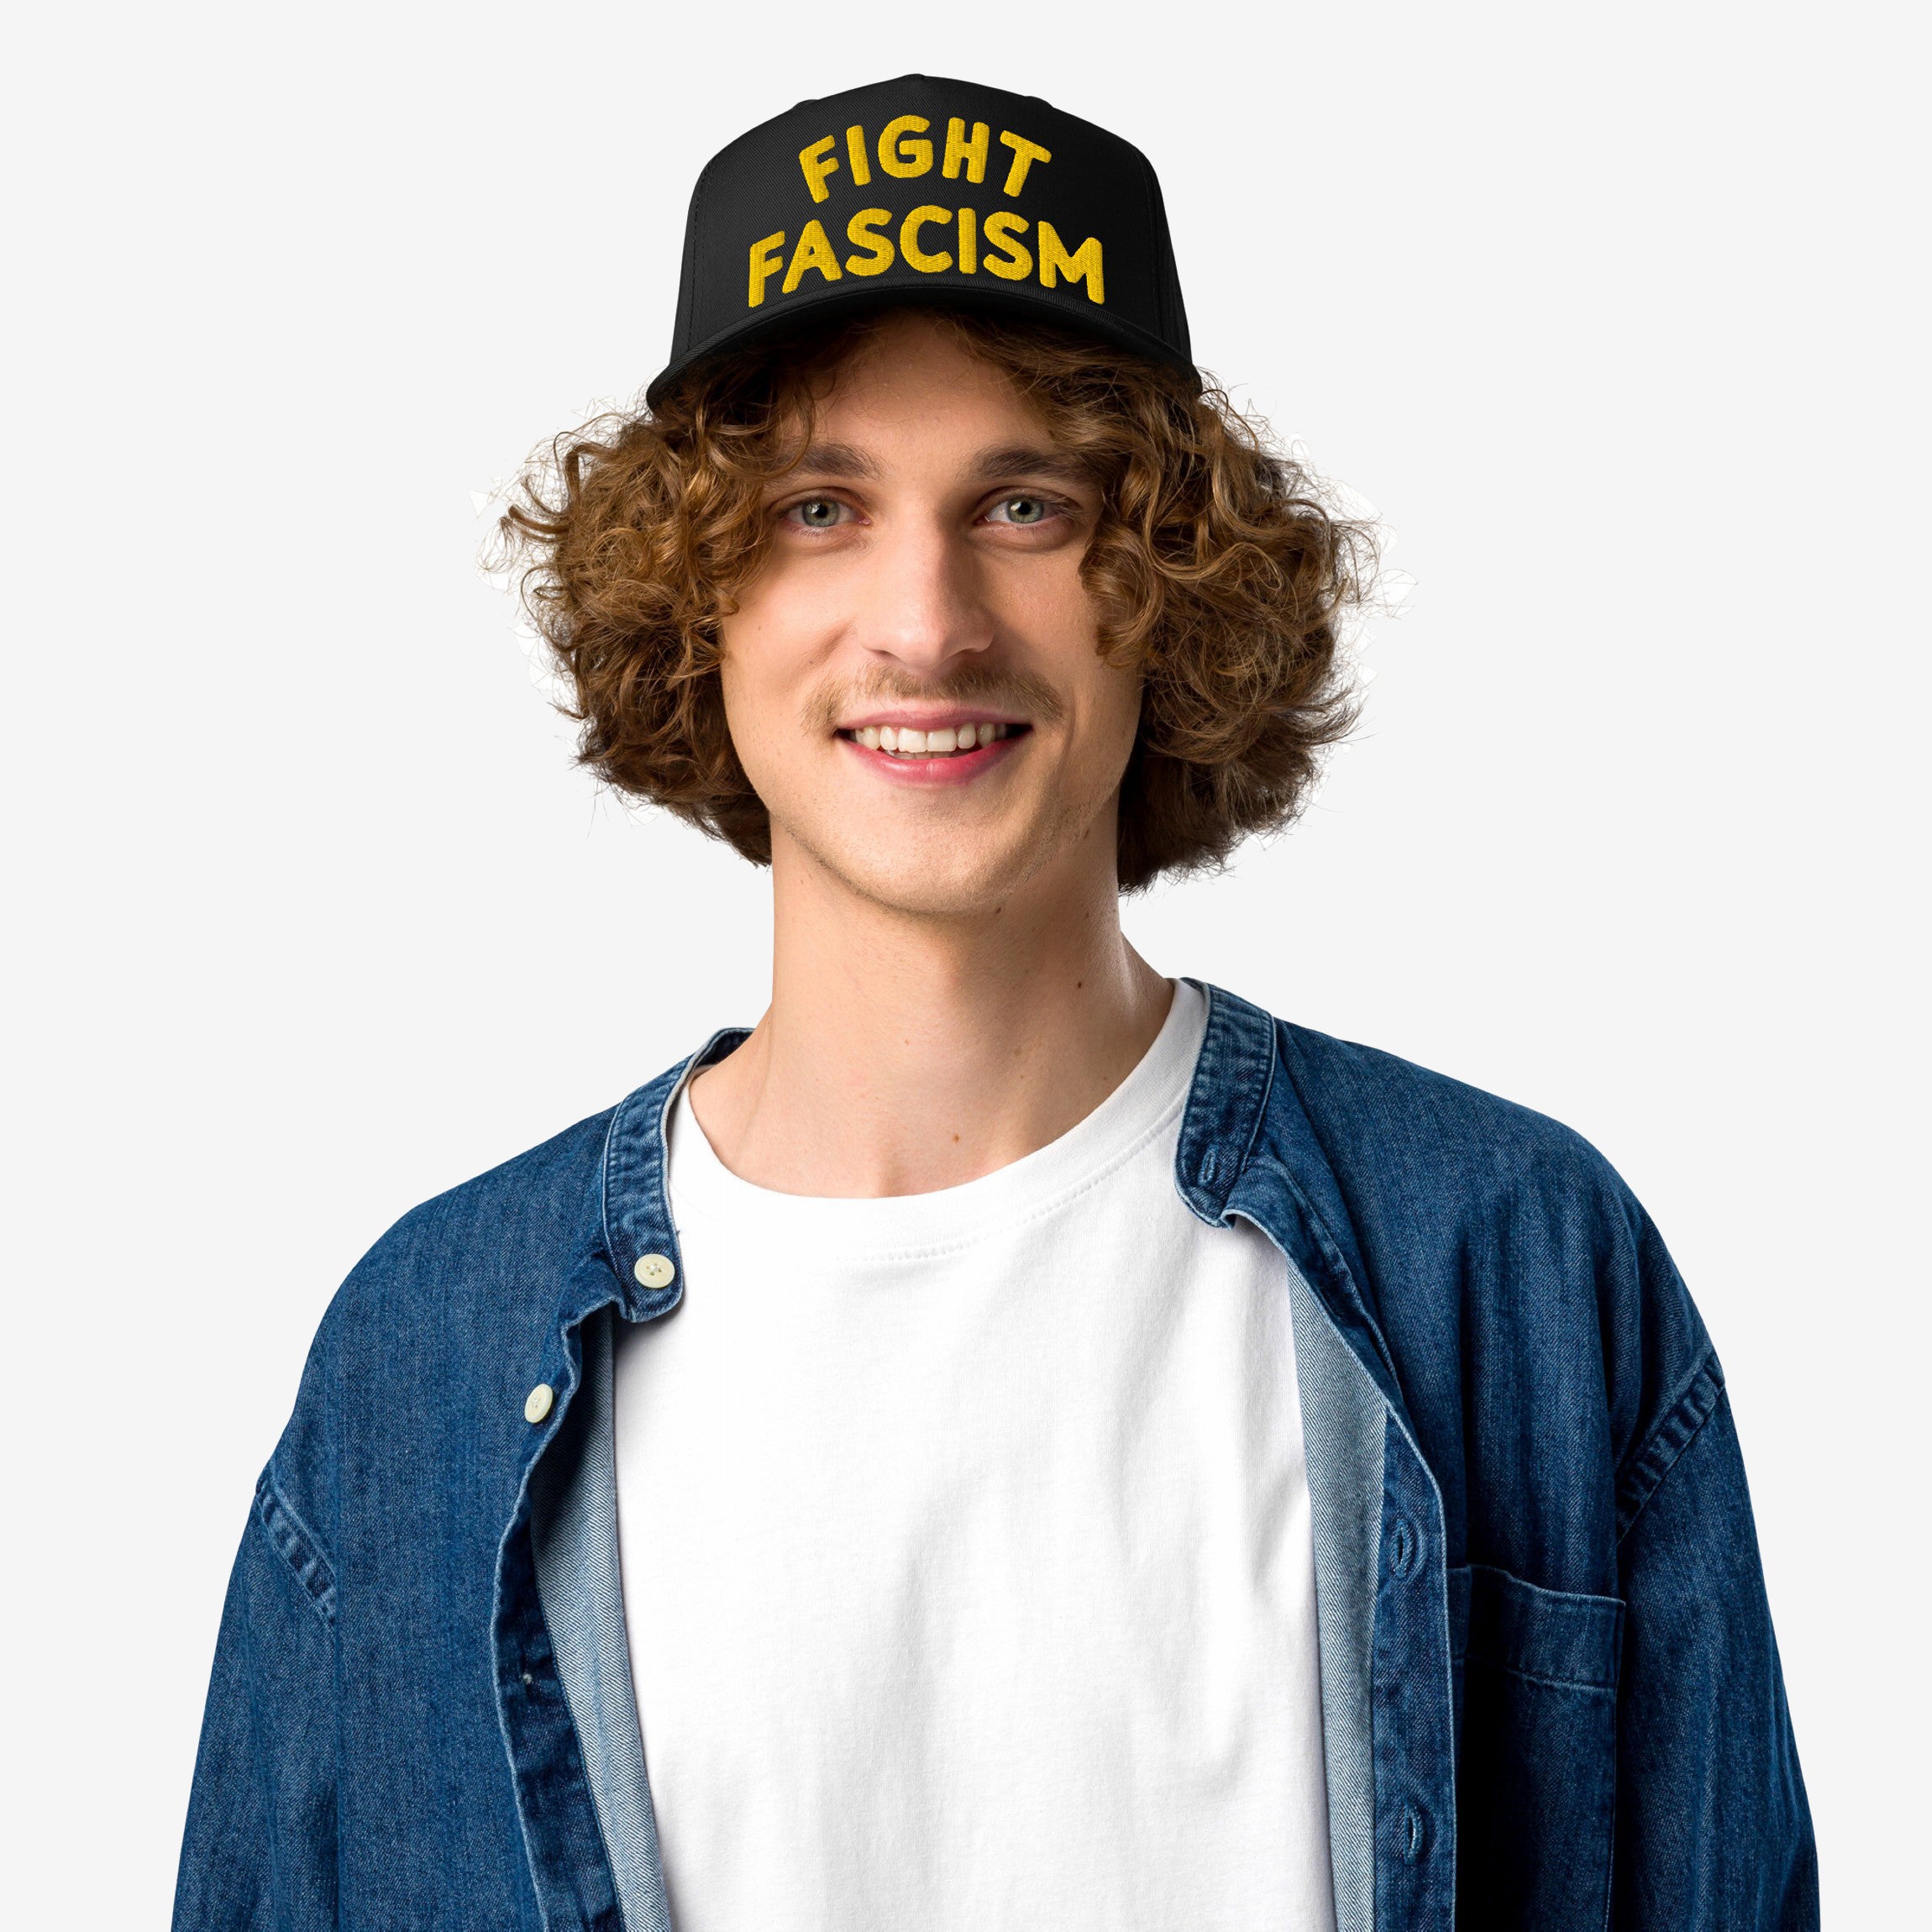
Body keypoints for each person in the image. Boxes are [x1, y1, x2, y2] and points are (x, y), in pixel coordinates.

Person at [172, 74, 1818, 1932]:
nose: (926, 618)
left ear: (1168, 584)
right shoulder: (424, 1363)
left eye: (1023, 505)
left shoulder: (1513, 1267)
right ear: (693, 603)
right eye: (816, 506)